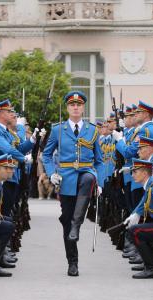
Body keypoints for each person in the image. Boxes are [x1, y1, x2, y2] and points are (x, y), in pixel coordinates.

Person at [43, 90, 105, 276]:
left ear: (83, 108)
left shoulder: (92, 130)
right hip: (66, 180)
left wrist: (100, 182)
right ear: (68, 108)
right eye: (72, 105)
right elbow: (46, 155)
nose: (76, 107)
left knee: (88, 178)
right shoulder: (57, 130)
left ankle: (77, 225)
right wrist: (51, 173)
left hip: (86, 175)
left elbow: (100, 161)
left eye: (79, 105)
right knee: (66, 222)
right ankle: (72, 262)